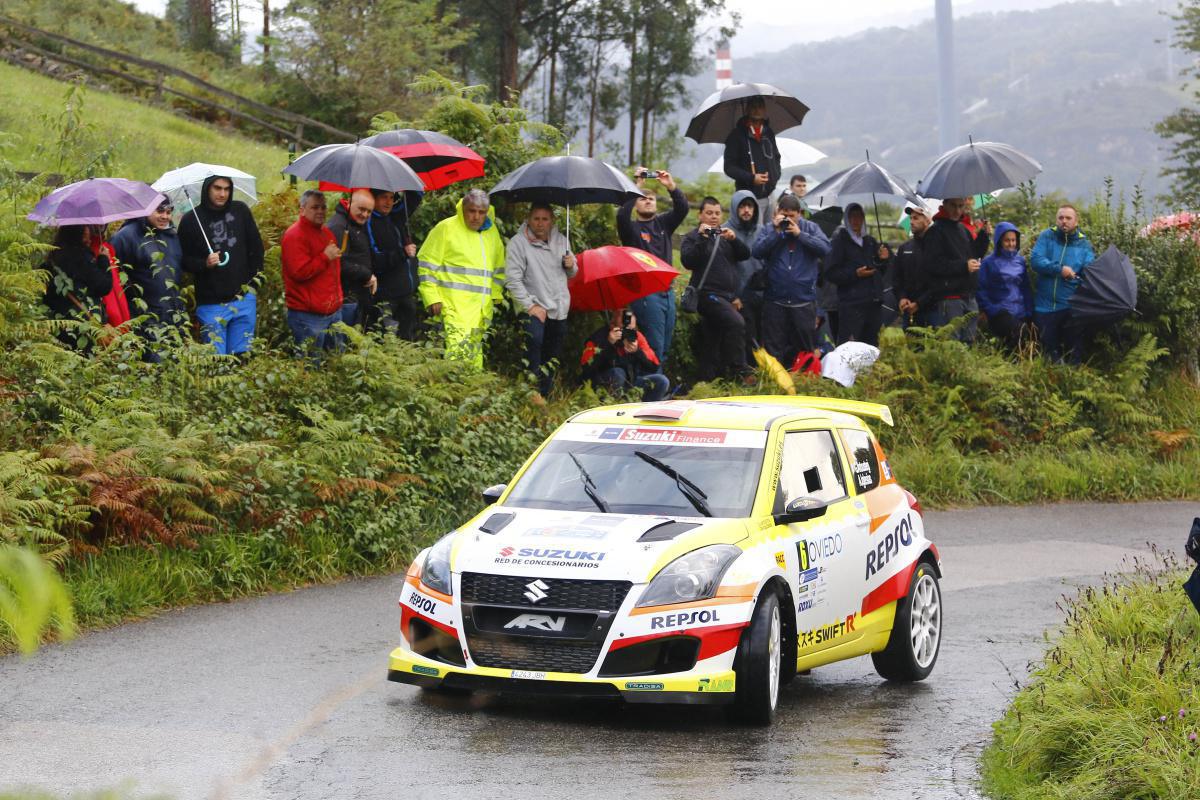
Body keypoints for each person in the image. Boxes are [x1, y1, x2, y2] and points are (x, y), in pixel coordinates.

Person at [417, 189, 506, 369]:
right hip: (452, 305)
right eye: (471, 211)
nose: (476, 216)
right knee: (456, 354)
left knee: (474, 353)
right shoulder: (446, 228)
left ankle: (472, 391)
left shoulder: (491, 233)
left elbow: (498, 268)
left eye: (481, 212)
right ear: (463, 209)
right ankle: (456, 392)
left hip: (481, 308)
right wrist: (432, 297)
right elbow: (427, 264)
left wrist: (495, 294)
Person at [179, 174, 264, 355]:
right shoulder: (191, 219)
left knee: (242, 356)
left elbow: (256, 249)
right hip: (211, 303)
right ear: (207, 189)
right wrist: (204, 263)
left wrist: (254, 287)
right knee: (216, 361)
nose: (222, 194)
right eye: (217, 188)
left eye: (227, 189)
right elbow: (184, 261)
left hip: (243, 299)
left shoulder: (240, 211)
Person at [616, 168, 688, 367]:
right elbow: (621, 215)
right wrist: (636, 186)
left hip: (668, 292)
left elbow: (682, 209)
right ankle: (650, 387)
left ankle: (658, 386)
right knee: (654, 345)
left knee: (664, 346)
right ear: (636, 203)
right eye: (642, 198)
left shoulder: (663, 223)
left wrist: (670, 186)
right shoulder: (631, 229)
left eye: (651, 198)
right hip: (646, 293)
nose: (647, 200)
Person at [505, 203, 577, 398]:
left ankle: (545, 396)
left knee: (552, 356)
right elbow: (512, 279)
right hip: (534, 307)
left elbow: (572, 272)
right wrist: (530, 306)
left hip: (559, 308)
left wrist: (571, 265)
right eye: (536, 218)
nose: (540, 223)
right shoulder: (518, 243)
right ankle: (531, 394)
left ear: (551, 221)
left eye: (545, 219)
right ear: (529, 219)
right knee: (533, 346)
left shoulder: (562, 240)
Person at [752, 193, 831, 369]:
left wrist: (800, 234)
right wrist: (776, 232)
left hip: (803, 301)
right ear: (778, 212)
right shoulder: (770, 229)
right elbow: (756, 251)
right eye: (784, 215)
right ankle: (774, 386)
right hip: (775, 299)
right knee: (774, 348)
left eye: (792, 216)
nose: (788, 219)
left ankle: (805, 383)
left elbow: (825, 249)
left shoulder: (810, 228)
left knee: (804, 347)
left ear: (799, 214)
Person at [680, 197, 752, 382]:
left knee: (712, 340)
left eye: (717, 213)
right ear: (700, 215)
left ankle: (708, 381)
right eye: (709, 213)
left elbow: (745, 255)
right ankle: (739, 370)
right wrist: (702, 239)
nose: (713, 217)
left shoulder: (726, 236)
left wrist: (735, 240)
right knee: (737, 323)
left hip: (726, 297)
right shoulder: (692, 236)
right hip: (706, 295)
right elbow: (688, 261)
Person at [110, 196, 185, 362]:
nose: (165, 216)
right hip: (143, 317)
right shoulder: (126, 236)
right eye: (159, 211)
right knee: (152, 367)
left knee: (174, 368)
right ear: (145, 209)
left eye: (169, 212)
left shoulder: (171, 235)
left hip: (173, 314)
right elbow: (113, 277)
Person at [280, 190, 343, 354]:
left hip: (333, 311)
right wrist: (324, 257)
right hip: (308, 316)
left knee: (336, 364)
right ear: (302, 209)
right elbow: (299, 272)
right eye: (315, 207)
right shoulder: (294, 235)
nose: (321, 211)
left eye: (323, 207)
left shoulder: (326, 232)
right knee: (310, 368)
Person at [1030, 204, 1095, 363]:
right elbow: (1036, 260)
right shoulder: (1047, 236)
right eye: (1060, 218)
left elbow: (1090, 271)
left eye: (1068, 218)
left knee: (1073, 352)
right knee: (1049, 354)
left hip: (1069, 306)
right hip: (1044, 307)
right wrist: (1059, 270)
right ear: (1056, 220)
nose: (1064, 221)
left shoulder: (1084, 244)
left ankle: (1073, 381)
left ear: (1076, 221)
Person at [919, 197, 986, 342]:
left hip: (968, 295)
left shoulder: (962, 228)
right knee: (952, 343)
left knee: (969, 342)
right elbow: (933, 264)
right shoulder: (935, 231)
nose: (957, 210)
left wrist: (984, 236)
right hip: (949, 297)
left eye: (960, 206)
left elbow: (974, 255)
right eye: (953, 206)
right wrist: (963, 266)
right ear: (944, 205)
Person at [42, 224, 114, 350]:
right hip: (86, 326)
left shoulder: (51, 259)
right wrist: (104, 259)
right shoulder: (82, 258)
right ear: (75, 237)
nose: (89, 240)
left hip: (60, 325)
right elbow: (104, 286)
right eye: (86, 237)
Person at [365, 189, 422, 339]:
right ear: (373, 199)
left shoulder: (395, 216)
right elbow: (376, 260)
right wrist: (403, 253)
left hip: (406, 292)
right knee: (387, 340)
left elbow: (413, 199)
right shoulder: (369, 222)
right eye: (384, 197)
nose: (388, 202)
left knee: (408, 339)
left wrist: (407, 181)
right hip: (386, 295)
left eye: (391, 197)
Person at [580, 308, 670, 401]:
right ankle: (613, 407)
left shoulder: (636, 336)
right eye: (623, 329)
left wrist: (637, 352)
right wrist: (608, 344)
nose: (627, 332)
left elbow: (654, 366)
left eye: (631, 329)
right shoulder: (598, 337)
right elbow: (587, 367)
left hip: (630, 382)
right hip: (602, 383)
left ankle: (645, 411)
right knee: (618, 373)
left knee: (661, 381)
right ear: (612, 325)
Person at [827, 203, 885, 346]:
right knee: (850, 348)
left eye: (859, 217)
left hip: (871, 303)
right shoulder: (839, 242)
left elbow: (879, 270)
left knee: (871, 347)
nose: (855, 221)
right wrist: (855, 274)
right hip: (851, 305)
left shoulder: (870, 242)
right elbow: (831, 273)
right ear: (846, 219)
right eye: (852, 217)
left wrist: (882, 259)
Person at [326, 189, 378, 329]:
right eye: (361, 209)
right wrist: (367, 275)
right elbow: (338, 263)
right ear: (349, 203)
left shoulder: (356, 224)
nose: (365, 214)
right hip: (346, 296)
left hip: (357, 294)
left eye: (369, 211)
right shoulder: (339, 226)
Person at [977, 221, 1034, 351]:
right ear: (999, 241)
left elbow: (1025, 287)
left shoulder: (1020, 261)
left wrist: (1030, 310)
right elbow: (981, 290)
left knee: (1029, 340)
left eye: (1014, 240)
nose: (1011, 244)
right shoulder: (988, 262)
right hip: (1000, 312)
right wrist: (991, 309)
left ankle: (1014, 367)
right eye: (1007, 240)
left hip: (1021, 310)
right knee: (1019, 334)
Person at [723, 96, 782, 210]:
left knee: (770, 228)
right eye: (753, 106)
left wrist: (775, 176)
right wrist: (751, 178)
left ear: (764, 110)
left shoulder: (768, 132)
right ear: (747, 109)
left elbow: (776, 157)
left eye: (760, 106)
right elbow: (729, 167)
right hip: (747, 198)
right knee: (755, 228)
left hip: (770, 195)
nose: (756, 110)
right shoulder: (736, 135)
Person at [729, 189, 764, 362]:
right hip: (738, 296)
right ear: (735, 208)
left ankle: (761, 372)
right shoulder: (726, 231)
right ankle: (745, 372)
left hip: (761, 294)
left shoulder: (761, 230)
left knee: (762, 335)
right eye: (742, 206)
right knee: (744, 337)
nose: (746, 210)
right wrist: (733, 295)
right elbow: (723, 268)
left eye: (750, 206)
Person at [894, 202, 934, 327]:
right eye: (910, 218)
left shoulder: (937, 247)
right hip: (909, 311)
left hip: (933, 310)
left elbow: (939, 281)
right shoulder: (904, 248)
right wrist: (901, 297)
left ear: (927, 220)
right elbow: (896, 278)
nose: (911, 222)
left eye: (916, 218)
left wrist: (919, 303)